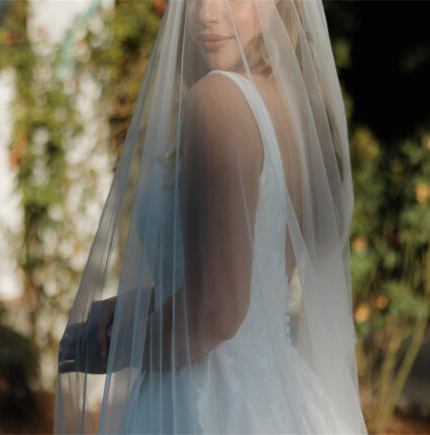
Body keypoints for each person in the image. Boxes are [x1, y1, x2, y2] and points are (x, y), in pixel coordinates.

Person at [55, 1, 368, 433]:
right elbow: (254, 290)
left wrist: (114, 347)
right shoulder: (294, 109)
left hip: (206, 407)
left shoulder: (219, 99)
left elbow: (219, 314)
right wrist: (139, 305)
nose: (206, 13)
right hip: (278, 398)